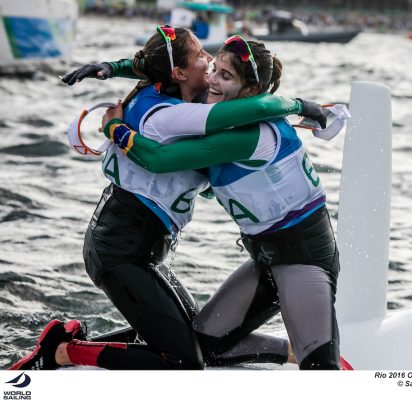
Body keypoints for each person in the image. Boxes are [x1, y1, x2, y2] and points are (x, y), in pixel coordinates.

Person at [9, 28, 326, 370]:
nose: (208, 63)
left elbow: (151, 65)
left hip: (141, 245)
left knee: (192, 335)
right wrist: (298, 105)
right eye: (202, 57)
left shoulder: (179, 91)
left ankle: (288, 352)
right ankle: (61, 351)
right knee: (184, 359)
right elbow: (254, 109)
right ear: (179, 73)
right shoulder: (170, 115)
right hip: (121, 246)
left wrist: (112, 67)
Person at [101, 35, 341, 369]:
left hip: (303, 259)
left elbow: (158, 159)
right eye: (214, 68)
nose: (212, 80)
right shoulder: (220, 114)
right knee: (204, 347)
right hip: (265, 259)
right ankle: (287, 350)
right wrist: (111, 70)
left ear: (251, 93)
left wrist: (115, 128)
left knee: (321, 372)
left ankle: (319, 355)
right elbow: (167, 66)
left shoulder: (250, 136)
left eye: (225, 77)